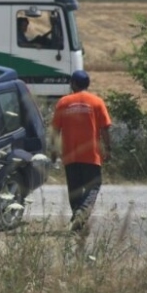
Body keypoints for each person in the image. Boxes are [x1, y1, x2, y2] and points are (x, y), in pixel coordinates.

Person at [50, 70, 112, 237]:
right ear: (87, 84)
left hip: (70, 155)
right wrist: (108, 149)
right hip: (91, 155)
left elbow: (55, 130)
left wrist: (54, 151)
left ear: (73, 84)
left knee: (75, 189)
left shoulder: (63, 102)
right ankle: (81, 214)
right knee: (93, 185)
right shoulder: (97, 102)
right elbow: (105, 128)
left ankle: (78, 218)